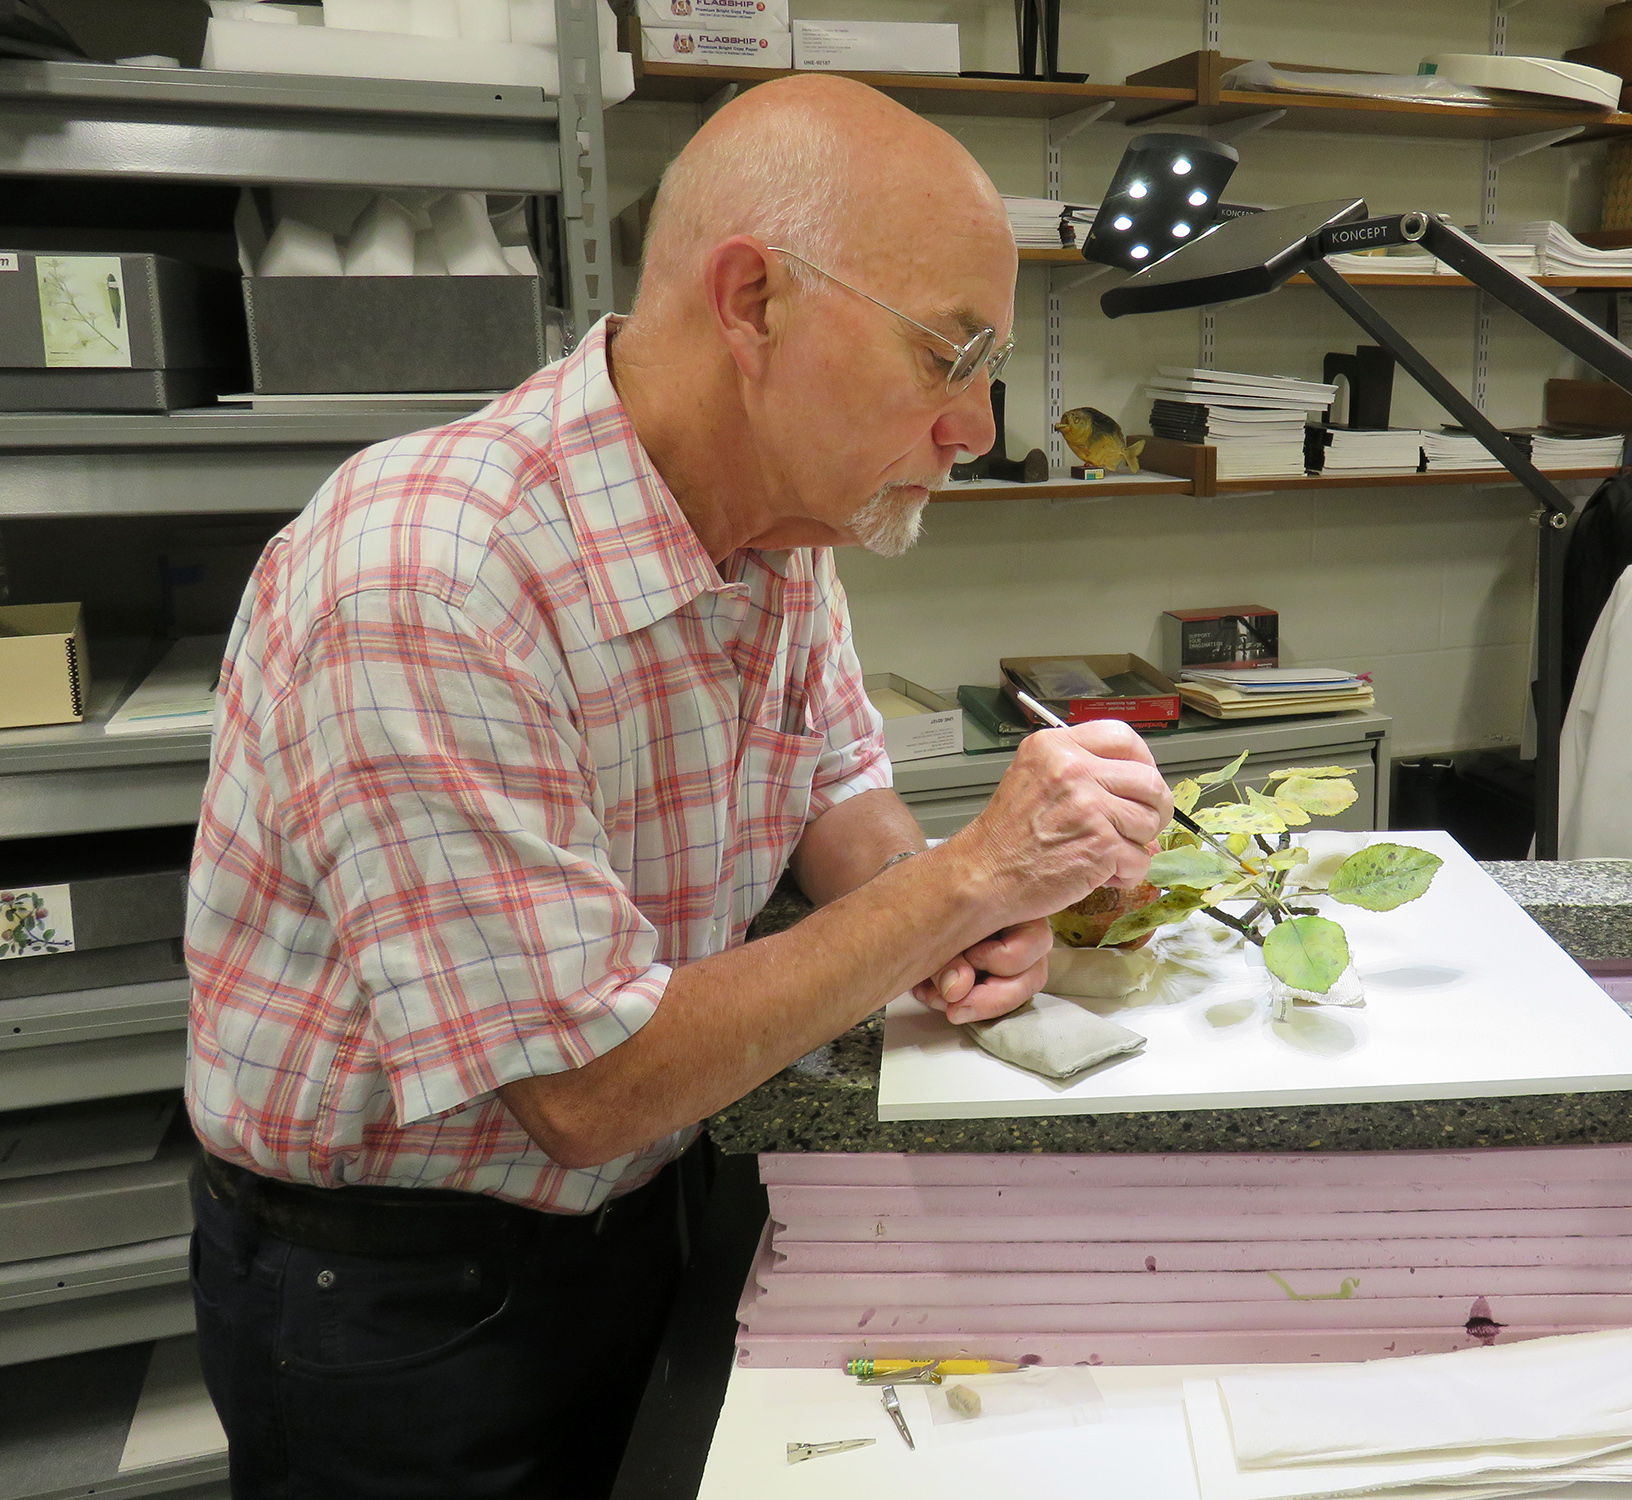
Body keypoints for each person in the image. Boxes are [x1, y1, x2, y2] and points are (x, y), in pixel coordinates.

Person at [182, 74, 1173, 1499]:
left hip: (645, 1208)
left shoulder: (781, 531)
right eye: (948, 355)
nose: (975, 424)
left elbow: (836, 787)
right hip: (398, 1285)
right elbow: (584, 1089)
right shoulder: (430, 576)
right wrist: (971, 877)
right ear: (754, 302)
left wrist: (975, 917)